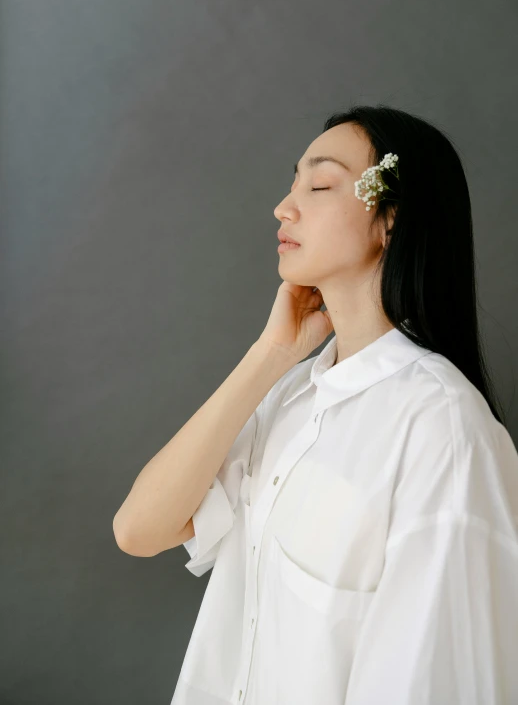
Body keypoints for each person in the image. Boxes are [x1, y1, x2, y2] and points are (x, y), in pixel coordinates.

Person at [113, 104, 518, 704]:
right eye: (292, 181)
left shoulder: (442, 429)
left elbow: (431, 678)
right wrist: (270, 355)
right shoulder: (294, 394)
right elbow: (138, 530)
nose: (284, 206)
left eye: (320, 184)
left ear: (389, 220)